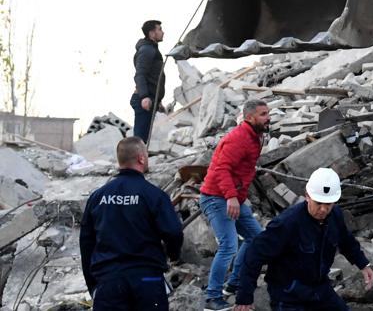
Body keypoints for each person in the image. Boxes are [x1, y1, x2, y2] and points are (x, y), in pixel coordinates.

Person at [233, 168, 373, 311]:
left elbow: (346, 240)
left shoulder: (335, 216)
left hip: (320, 288)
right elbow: (255, 254)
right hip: (288, 295)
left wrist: (363, 264)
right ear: (307, 196)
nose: (323, 209)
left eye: (328, 204)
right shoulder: (287, 223)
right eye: (318, 203)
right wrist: (245, 295)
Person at [80, 136, 183, 310]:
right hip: (147, 279)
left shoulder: (98, 197)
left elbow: (86, 243)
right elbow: (173, 231)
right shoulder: (154, 195)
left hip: (109, 281)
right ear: (141, 158)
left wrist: (93, 285)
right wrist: (173, 255)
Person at [199, 100, 270, 310]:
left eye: (268, 113)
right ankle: (212, 298)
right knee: (229, 245)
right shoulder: (239, 138)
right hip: (216, 197)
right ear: (249, 117)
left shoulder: (255, 135)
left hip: (232, 198)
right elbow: (221, 168)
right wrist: (231, 196)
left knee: (257, 238)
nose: (268, 118)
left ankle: (234, 283)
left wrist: (237, 197)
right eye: (263, 114)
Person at [132, 19, 166, 142]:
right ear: (151, 33)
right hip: (144, 101)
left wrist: (158, 101)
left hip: (150, 100)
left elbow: (153, 77)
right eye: (159, 29)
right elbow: (140, 74)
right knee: (139, 142)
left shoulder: (152, 49)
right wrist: (144, 96)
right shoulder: (147, 50)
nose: (163, 32)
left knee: (143, 141)